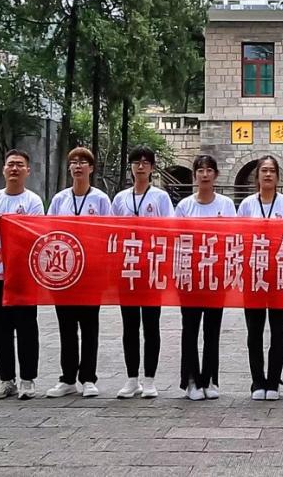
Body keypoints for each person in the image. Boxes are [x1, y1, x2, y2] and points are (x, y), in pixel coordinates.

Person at [0, 149, 45, 400]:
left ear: (27, 171)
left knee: (26, 329)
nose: (15, 169)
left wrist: (15, 224)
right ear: (4, 169)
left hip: (22, 276)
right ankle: (6, 379)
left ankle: (28, 379)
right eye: (11, 164)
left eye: (20, 165)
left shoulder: (33, 201)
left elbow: (35, 235)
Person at [45, 147, 112, 399]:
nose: (77, 166)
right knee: (66, 327)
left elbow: (109, 234)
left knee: (89, 326)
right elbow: (48, 230)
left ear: (91, 168)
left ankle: (89, 378)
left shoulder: (101, 200)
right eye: (73, 162)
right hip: (64, 272)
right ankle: (67, 378)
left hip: (91, 273)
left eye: (83, 162)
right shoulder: (60, 199)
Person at [110, 145, 174, 399]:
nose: (140, 166)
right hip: (127, 268)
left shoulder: (160, 198)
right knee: (129, 326)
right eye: (136, 162)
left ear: (152, 167)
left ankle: (149, 379)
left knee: (151, 325)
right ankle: (131, 379)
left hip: (151, 268)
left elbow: (169, 229)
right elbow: (111, 232)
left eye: (145, 162)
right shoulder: (120, 198)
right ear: (131, 166)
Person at [174, 154, 236, 401]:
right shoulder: (184, 206)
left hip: (215, 276)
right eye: (200, 170)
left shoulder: (226, 205)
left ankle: (210, 378)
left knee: (212, 329)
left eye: (210, 170)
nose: (205, 174)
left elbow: (232, 239)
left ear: (216, 175)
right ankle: (190, 380)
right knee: (189, 329)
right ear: (195, 175)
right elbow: (176, 241)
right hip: (189, 276)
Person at [237, 155, 283, 400]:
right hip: (253, 275)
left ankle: (273, 381)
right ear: (257, 176)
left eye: (272, 170)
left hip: (279, 275)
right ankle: (257, 381)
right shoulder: (247, 205)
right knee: (254, 332)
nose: (268, 174)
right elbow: (239, 238)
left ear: (278, 176)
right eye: (264, 170)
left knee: (278, 331)